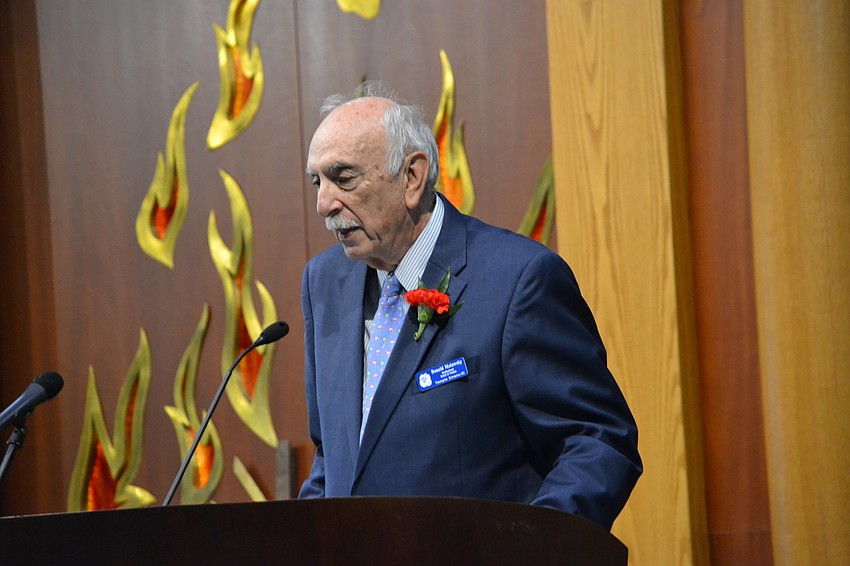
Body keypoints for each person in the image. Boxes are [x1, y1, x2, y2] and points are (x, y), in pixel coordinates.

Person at [299, 81, 641, 530]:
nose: (325, 204)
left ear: (412, 177)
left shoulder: (519, 280)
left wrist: (530, 551)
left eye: (344, 178)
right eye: (317, 182)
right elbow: (336, 454)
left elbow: (598, 440)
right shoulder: (324, 282)